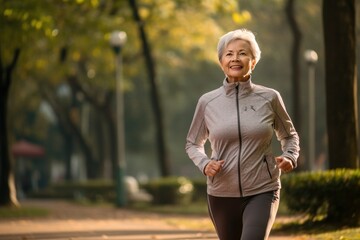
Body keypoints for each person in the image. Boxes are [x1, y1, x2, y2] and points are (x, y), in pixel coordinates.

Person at [185, 29, 300, 240]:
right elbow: (193, 143)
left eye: (243, 53)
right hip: (221, 192)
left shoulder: (269, 98)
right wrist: (204, 163)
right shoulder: (207, 102)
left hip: (262, 189)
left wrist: (290, 155)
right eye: (229, 54)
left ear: (253, 61)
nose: (235, 58)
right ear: (221, 61)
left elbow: (290, 135)